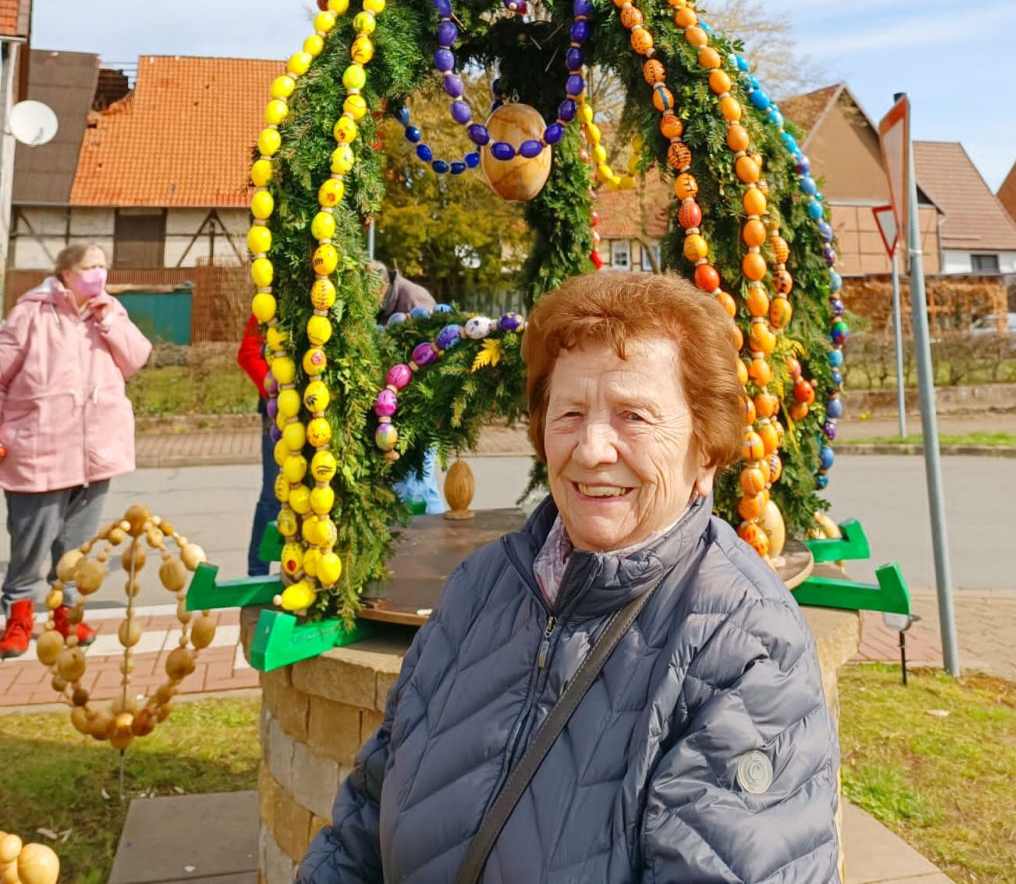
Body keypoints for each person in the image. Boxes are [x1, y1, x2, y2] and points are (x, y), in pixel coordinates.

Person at [298, 269, 840, 883]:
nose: (591, 449)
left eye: (634, 416)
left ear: (706, 449)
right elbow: (362, 828)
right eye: (571, 413)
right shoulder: (481, 589)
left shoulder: (744, 644)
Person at [0, 243, 152, 659]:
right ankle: (19, 616)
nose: (98, 274)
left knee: (77, 548)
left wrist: (109, 321)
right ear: (66, 272)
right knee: (32, 542)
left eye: (103, 266)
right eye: (90, 267)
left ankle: (67, 613)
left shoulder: (110, 313)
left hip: (94, 451)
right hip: (38, 449)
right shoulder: (32, 313)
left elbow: (137, 357)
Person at [370, 261, 445, 517]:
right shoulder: (385, 304)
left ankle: (426, 543)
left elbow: (433, 357)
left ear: (382, 289)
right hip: (395, 404)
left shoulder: (415, 302)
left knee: (416, 485)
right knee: (424, 485)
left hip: (417, 408)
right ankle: (438, 532)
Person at [239, 315, 281, 576]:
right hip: (278, 412)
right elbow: (248, 352)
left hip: (320, 413)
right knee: (273, 495)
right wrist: (275, 391)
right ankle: (258, 571)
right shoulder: (272, 297)